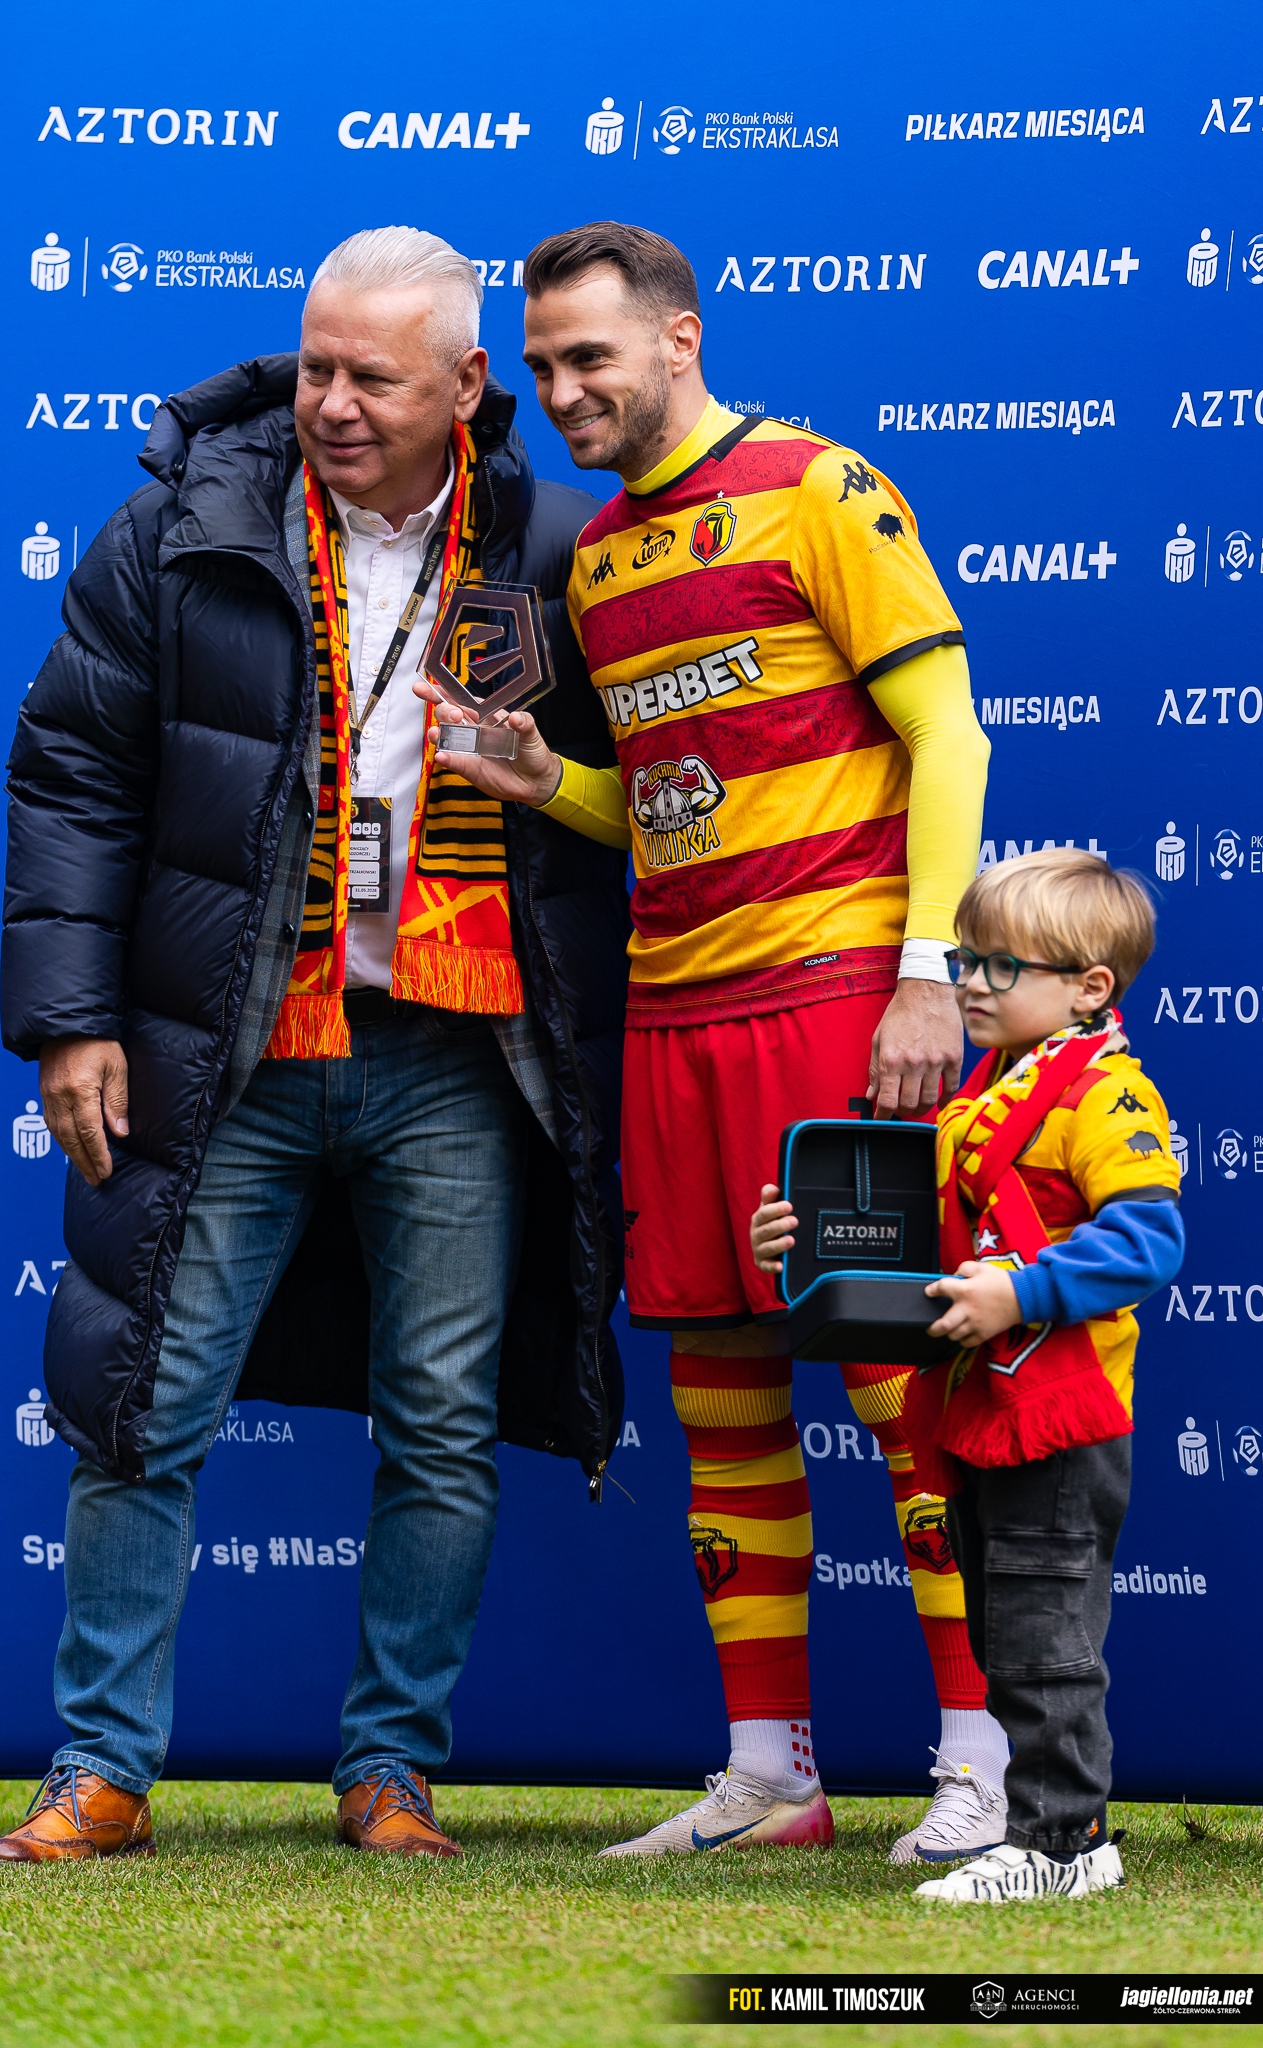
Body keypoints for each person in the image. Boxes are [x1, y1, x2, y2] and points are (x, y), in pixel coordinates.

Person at [0, 227, 629, 1864]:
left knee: (442, 1420)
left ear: (466, 385)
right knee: (145, 1398)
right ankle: (100, 1768)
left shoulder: (564, 547)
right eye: (316, 366)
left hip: (459, 1053)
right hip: (233, 1040)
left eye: (373, 379)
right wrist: (70, 1019)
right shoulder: (181, 527)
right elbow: (73, 774)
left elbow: (652, 795)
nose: (331, 403)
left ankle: (391, 1768)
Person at [415, 220, 1003, 1861]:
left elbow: (947, 732)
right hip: (675, 1012)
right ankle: (770, 1775)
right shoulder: (601, 561)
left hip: (833, 998)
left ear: (679, 339)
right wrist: (548, 782)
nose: (562, 391)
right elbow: (665, 811)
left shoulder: (820, 489)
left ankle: (983, 1756)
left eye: (590, 357)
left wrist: (925, 969)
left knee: (900, 1378)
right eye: (542, 365)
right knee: (720, 1391)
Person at [896, 849, 1182, 1902]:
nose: (970, 981)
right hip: (988, 1406)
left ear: (1088, 986)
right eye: (965, 958)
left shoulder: (1105, 1091)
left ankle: (1063, 1845)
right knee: (1006, 1630)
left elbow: (1148, 1240)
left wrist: (1021, 1292)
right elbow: (928, 1241)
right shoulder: (983, 1093)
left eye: (1000, 965)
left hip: (1060, 1413)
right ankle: (1051, 1832)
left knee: (1046, 1634)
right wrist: (805, 1243)